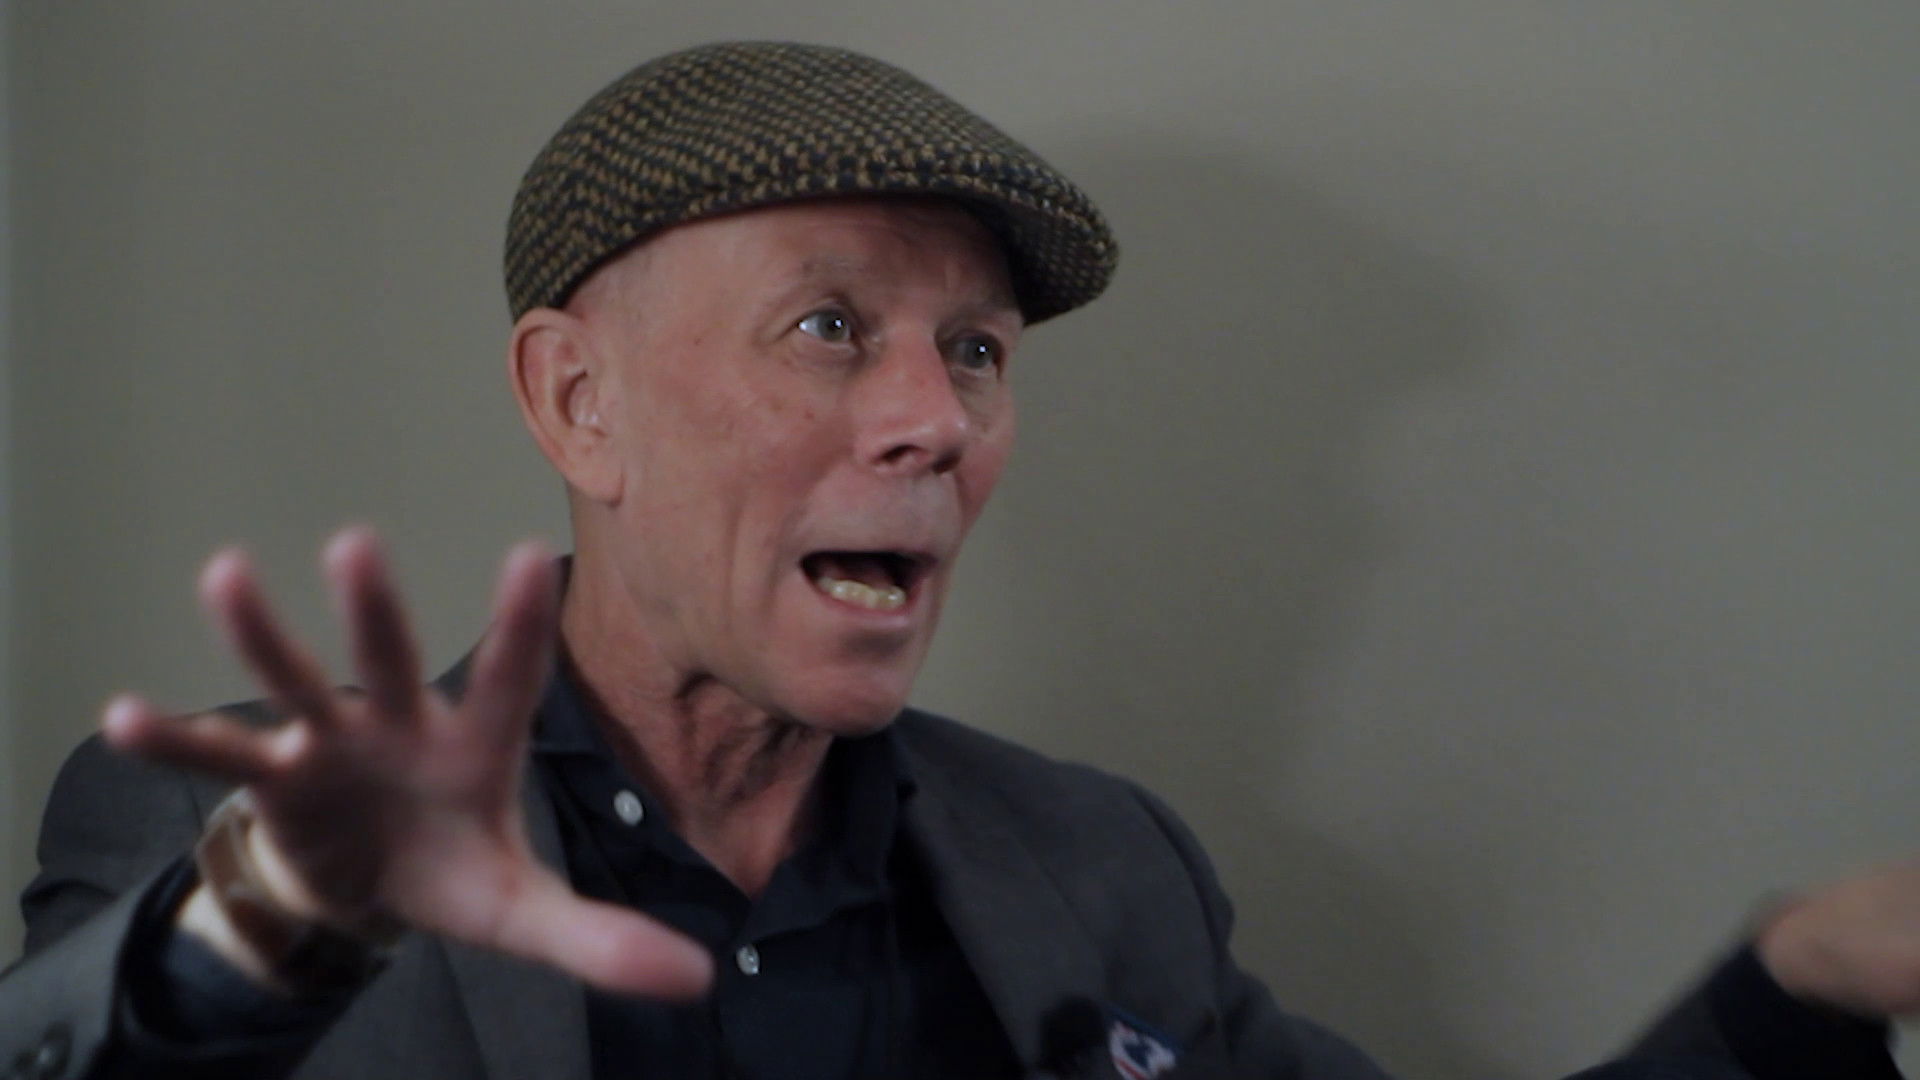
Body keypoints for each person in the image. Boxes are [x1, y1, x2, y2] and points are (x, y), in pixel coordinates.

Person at [0, 40, 1910, 1080]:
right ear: (580, 404)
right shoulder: (225, 828)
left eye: (977, 352)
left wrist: (1796, 984)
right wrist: (250, 941)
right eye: (829, 328)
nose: (936, 419)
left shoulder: (1102, 870)